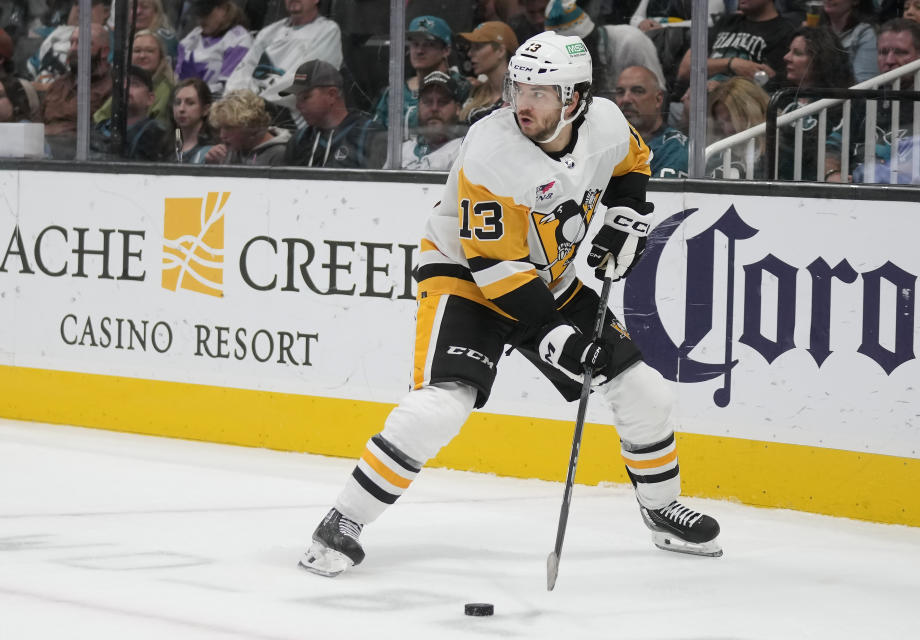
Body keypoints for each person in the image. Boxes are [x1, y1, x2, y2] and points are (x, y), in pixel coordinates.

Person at [298, 30, 722, 579]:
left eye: (540, 93)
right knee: (442, 404)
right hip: (466, 276)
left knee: (644, 390)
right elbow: (494, 267)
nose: (523, 102)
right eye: (518, 87)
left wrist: (625, 219)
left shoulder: (608, 124)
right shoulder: (493, 151)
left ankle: (662, 508)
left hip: (547, 274)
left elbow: (631, 168)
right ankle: (342, 522)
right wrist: (559, 338)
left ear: (575, 99)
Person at [825, 18, 920, 183]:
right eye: (883, 52)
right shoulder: (864, 98)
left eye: (900, 52)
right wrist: (832, 174)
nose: (889, 61)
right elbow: (832, 146)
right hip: (853, 192)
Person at [224, 0, 342, 129]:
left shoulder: (327, 31)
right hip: (249, 110)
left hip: (289, 118)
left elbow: (307, 77)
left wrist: (259, 102)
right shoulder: (269, 32)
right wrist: (235, 98)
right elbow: (244, 69)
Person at [775, 27, 854, 180]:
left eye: (797, 53)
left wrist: (831, 172)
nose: (786, 57)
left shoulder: (839, 104)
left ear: (820, 61)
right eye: (789, 51)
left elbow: (833, 146)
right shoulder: (779, 95)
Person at [543, 0, 665, 98]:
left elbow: (660, 95)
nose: (578, 56)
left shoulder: (631, 41)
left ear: (591, 36)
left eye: (580, 46)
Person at [372, 15, 470, 131]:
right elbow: (376, 134)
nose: (419, 51)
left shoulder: (462, 87)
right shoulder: (394, 92)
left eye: (428, 44)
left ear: (446, 50)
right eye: (415, 44)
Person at [676, 0, 796, 91]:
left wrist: (723, 89)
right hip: (698, 98)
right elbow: (685, 69)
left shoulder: (784, 32)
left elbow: (768, 83)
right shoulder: (727, 21)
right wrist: (732, 63)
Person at [279, 59, 379, 168]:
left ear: (332, 94)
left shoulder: (369, 136)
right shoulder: (299, 140)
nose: (298, 105)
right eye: (297, 99)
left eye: (305, 97)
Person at [41, 23, 114, 159]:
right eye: (72, 43)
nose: (73, 49)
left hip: (82, 158)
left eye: (82, 43)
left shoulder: (113, 87)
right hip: (46, 153)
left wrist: (55, 132)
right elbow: (38, 123)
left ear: (104, 52)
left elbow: (101, 133)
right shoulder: (58, 85)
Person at [613, 65, 689, 178]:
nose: (626, 99)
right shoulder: (607, 143)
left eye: (637, 91)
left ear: (658, 99)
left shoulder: (674, 148)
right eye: (620, 92)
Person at [93, 30, 174, 127]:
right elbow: (100, 116)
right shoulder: (123, 83)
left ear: (160, 56)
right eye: (137, 51)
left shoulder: (166, 88)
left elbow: (159, 126)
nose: (142, 56)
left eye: (150, 51)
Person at [174, 0, 254, 97]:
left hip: (216, 106)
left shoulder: (239, 41)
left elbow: (229, 92)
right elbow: (176, 79)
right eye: (198, 14)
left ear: (224, 9)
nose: (201, 20)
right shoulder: (191, 38)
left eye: (206, 13)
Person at [26, 0, 112, 87]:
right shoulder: (54, 34)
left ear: (106, 12)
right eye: (76, 3)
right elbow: (30, 70)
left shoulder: (112, 43)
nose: (79, 8)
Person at [91, 65, 168, 161]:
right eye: (120, 84)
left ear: (150, 99)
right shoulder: (101, 127)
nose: (124, 88)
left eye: (134, 84)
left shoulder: (157, 135)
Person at [395, 70, 466, 171]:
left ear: (458, 109)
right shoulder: (401, 151)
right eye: (427, 102)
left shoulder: (463, 151)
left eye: (442, 102)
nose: (434, 108)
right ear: (418, 106)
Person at [205, 88, 291, 165]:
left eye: (229, 128)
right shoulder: (233, 149)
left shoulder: (279, 154)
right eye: (221, 128)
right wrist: (213, 166)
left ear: (250, 125)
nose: (222, 135)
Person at [706, 77, 770, 178]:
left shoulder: (783, 151)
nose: (726, 129)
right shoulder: (720, 157)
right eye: (721, 124)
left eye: (730, 119)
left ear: (750, 110)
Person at [456, 20, 518, 125]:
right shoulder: (474, 92)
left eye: (477, 47)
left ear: (500, 51)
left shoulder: (521, 94)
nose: (470, 53)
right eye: (471, 47)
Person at [815, 0, 878, 82]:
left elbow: (864, 84)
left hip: (845, 93)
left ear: (855, 1)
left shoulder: (865, 34)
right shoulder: (817, 30)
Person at [170, 77, 216, 163]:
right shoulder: (163, 146)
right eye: (177, 103)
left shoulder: (212, 152)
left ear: (205, 109)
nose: (181, 109)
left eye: (190, 103)